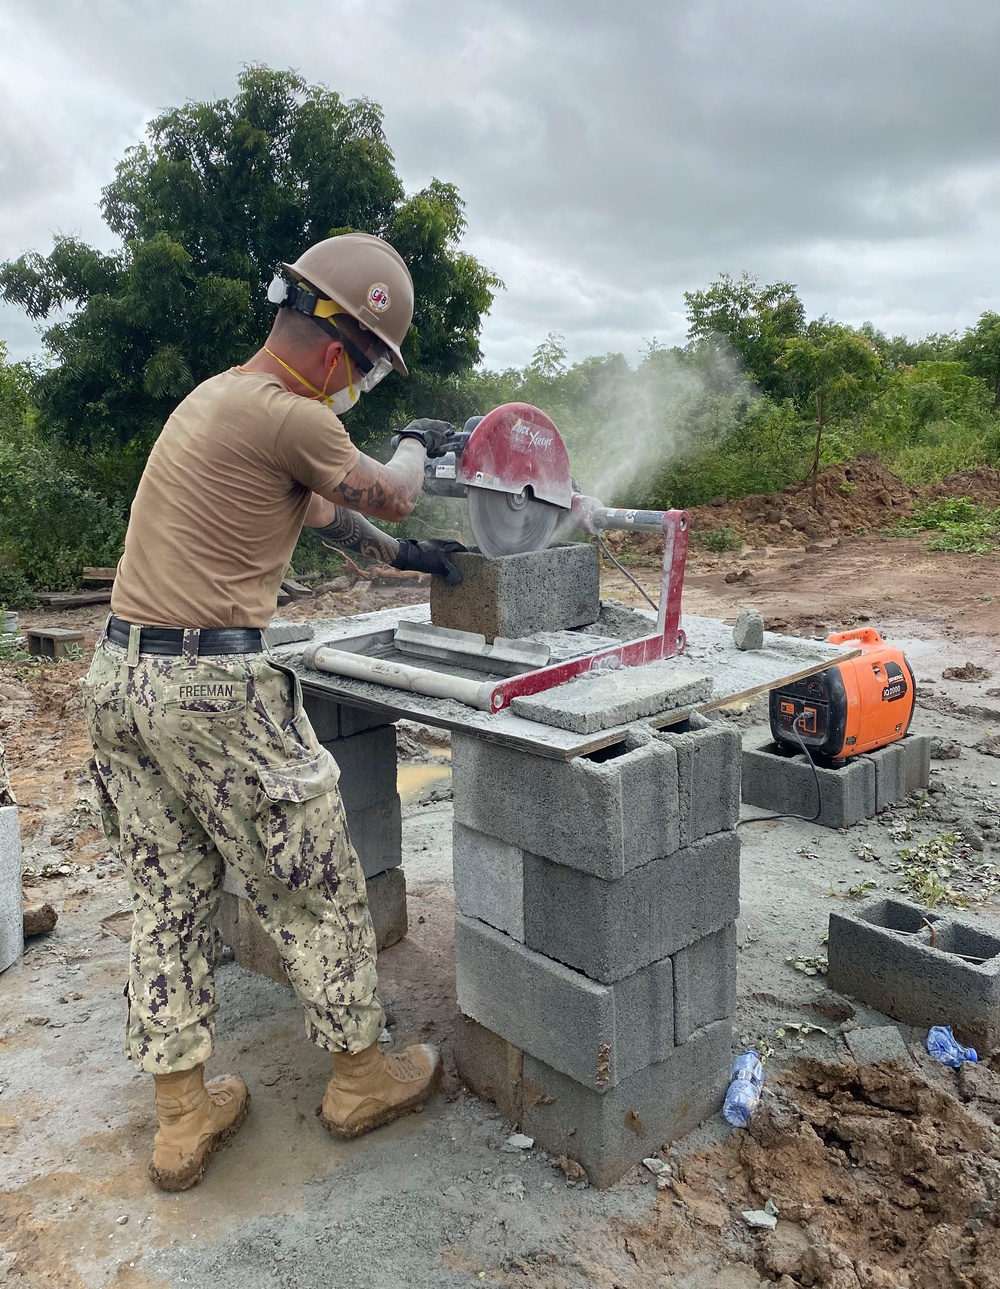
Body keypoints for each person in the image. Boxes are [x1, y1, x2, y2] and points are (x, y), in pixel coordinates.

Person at [83, 232, 464, 1193]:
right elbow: (389, 486)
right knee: (316, 875)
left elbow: (344, 522)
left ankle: (181, 1116)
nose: (358, 389)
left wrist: (414, 560)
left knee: (170, 889)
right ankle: (359, 1078)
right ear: (339, 353)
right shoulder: (289, 411)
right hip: (212, 692)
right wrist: (420, 440)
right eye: (369, 372)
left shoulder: (219, 402)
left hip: (122, 680)